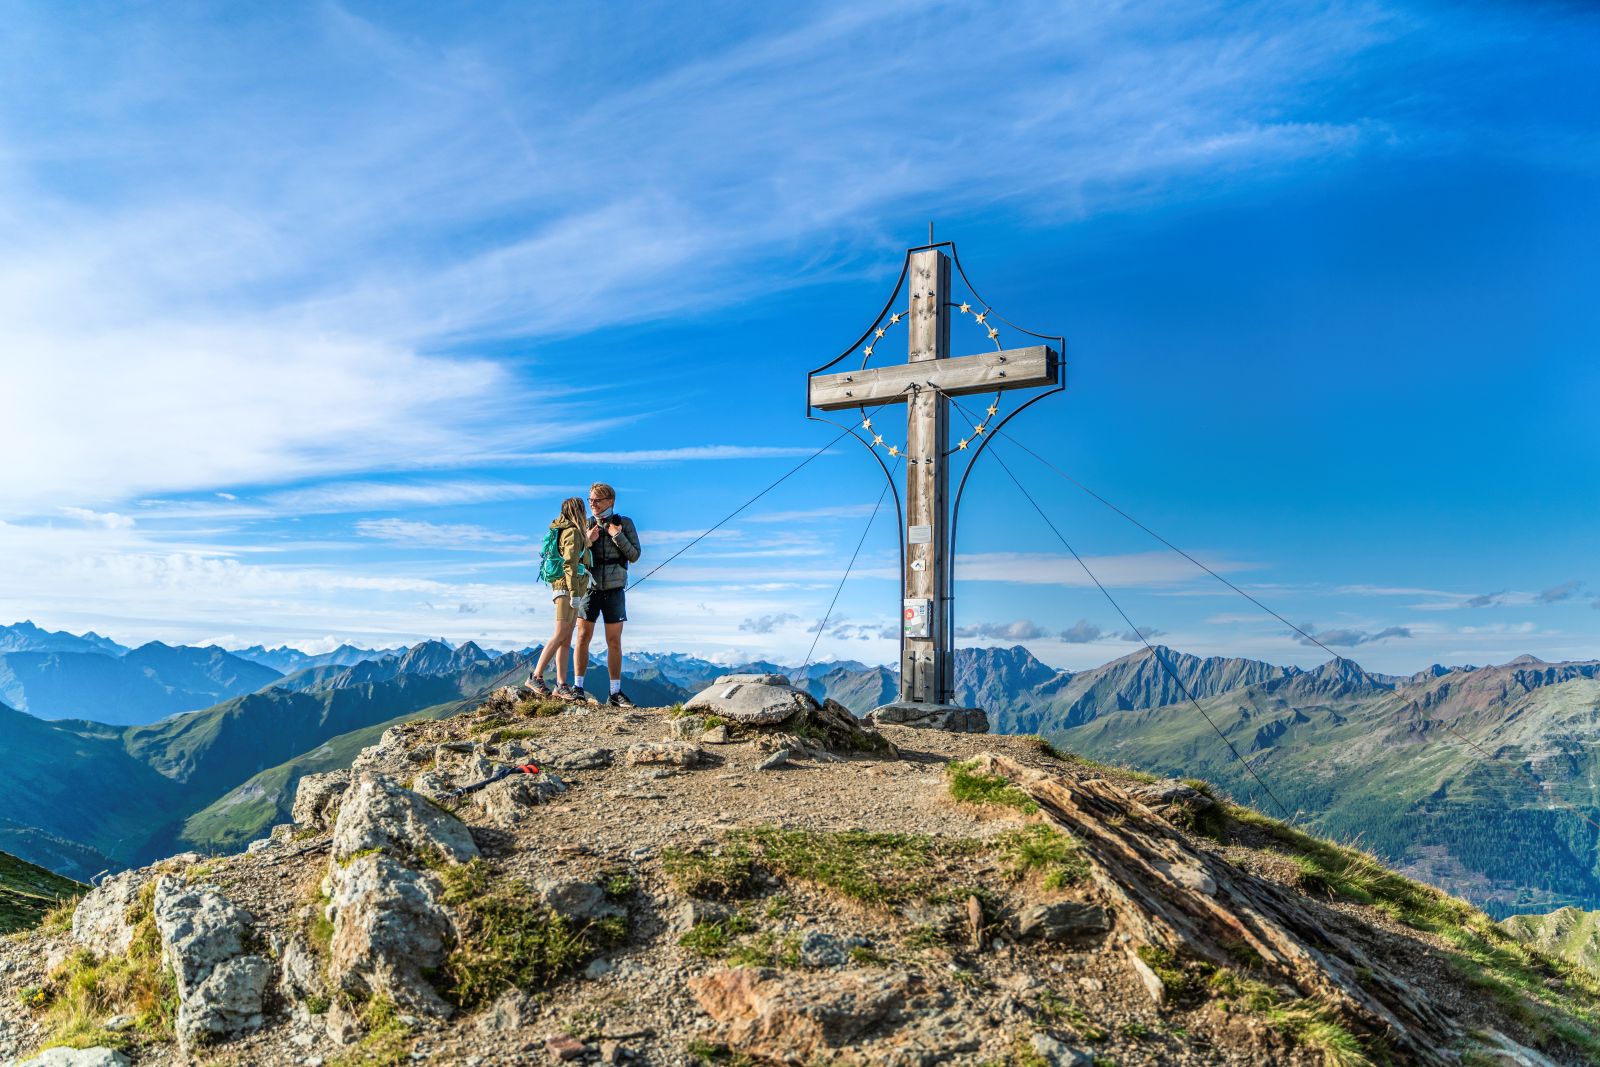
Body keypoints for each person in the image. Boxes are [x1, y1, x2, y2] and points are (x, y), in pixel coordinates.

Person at [573, 481, 641, 707]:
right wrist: (587, 542)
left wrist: (617, 536)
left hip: (614, 589)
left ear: (610, 501)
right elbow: (574, 559)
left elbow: (634, 555)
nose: (592, 504)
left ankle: (615, 693)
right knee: (583, 638)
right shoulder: (585, 524)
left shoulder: (624, 523)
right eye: (590, 500)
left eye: (597, 500)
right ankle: (578, 688)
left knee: (614, 641)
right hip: (589, 589)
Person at [525, 496, 592, 700]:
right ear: (578, 511)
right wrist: (574, 594)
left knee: (566, 638)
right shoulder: (572, 531)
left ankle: (561, 685)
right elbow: (569, 563)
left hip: (567, 588)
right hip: (567, 589)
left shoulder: (566, 530)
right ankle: (536, 676)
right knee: (561, 633)